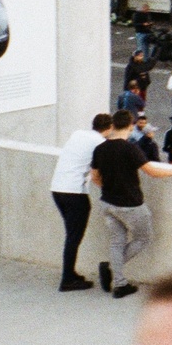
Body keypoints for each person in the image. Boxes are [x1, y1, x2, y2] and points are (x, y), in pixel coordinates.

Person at [89, 109, 172, 298]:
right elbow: (152, 172)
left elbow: (95, 177)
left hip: (107, 202)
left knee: (117, 242)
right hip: (130, 204)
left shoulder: (100, 148)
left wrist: (110, 189)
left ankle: (119, 282)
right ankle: (114, 274)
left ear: (113, 125)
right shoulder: (130, 148)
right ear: (130, 125)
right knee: (144, 238)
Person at [49, 113, 113, 292]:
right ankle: (67, 279)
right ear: (109, 129)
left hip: (57, 189)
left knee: (71, 235)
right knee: (73, 237)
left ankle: (70, 273)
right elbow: (99, 170)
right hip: (75, 192)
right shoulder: (101, 144)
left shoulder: (78, 134)